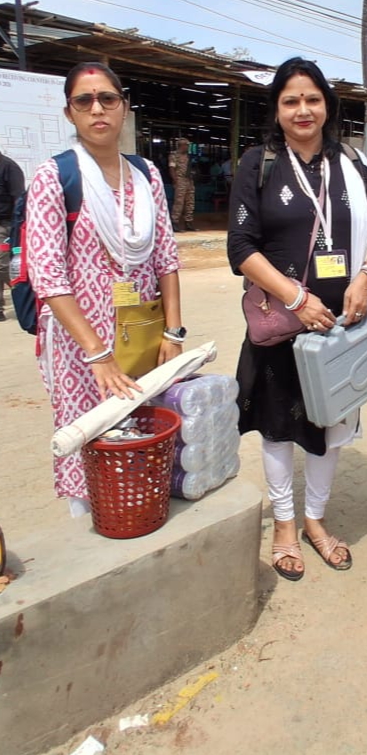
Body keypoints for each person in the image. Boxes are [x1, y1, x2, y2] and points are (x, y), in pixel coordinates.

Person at [228, 57, 367, 580]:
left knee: (331, 425)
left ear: (327, 105)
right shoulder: (259, 164)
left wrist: (366, 275)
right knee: (278, 428)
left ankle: (315, 520)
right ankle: (284, 524)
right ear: (276, 109)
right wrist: (296, 298)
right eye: (291, 100)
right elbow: (241, 247)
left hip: (340, 328)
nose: (303, 109)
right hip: (283, 322)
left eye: (313, 99)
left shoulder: (353, 164)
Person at [25, 62, 182, 516]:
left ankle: (138, 513)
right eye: (84, 100)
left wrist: (173, 333)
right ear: (69, 112)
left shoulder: (147, 175)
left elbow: (166, 257)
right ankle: (93, 525)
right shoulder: (54, 177)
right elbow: (48, 276)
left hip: (140, 334)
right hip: (81, 347)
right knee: (89, 436)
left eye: (107, 99)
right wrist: (98, 355)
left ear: (123, 108)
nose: (97, 109)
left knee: (139, 429)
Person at [0, 147, 26, 320]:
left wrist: (18, 227)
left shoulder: (9, 167)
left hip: (6, 225)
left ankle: (25, 297)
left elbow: (19, 199)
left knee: (3, 266)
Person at [168, 138, 196, 232]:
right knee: (179, 202)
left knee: (190, 202)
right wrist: (175, 180)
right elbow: (172, 168)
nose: (187, 147)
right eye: (186, 145)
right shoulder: (174, 155)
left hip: (189, 180)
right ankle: (175, 222)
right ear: (182, 145)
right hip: (180, 180)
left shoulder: (188, 156)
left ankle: (188, 222)